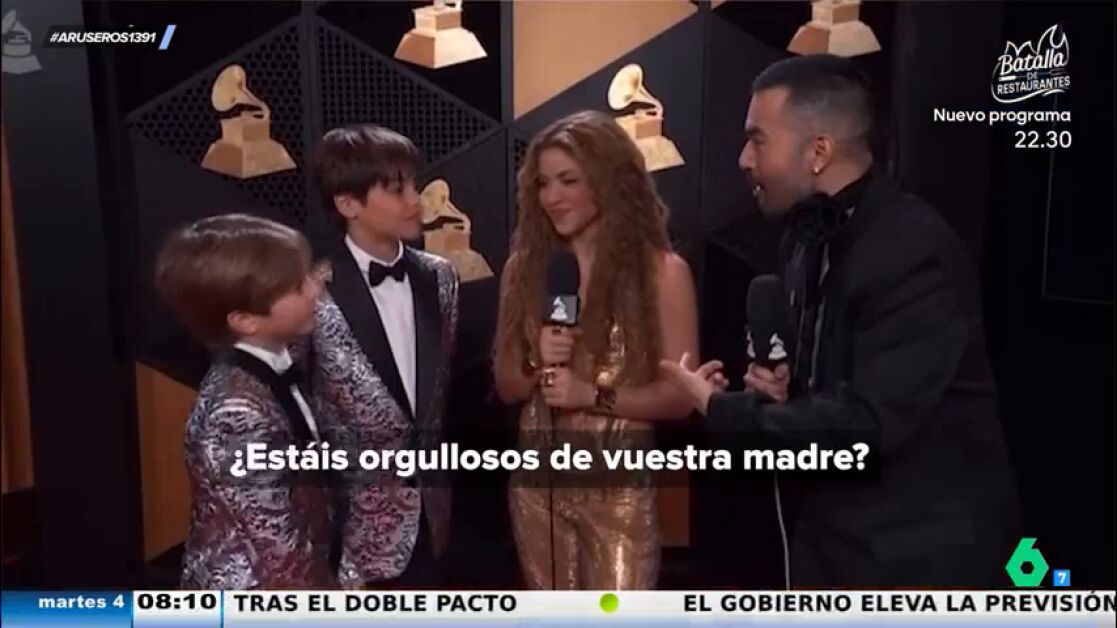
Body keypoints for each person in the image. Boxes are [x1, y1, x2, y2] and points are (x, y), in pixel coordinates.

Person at [661, 54, 1019, 588]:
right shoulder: (802, 241)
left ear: (819, 152)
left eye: (757, 140)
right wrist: (785, 391)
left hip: (918, 562)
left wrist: (723, 410)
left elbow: (867, 425)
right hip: (832, 543)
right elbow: (832, 385)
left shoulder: (912, 250)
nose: (742, 159)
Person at [493, 110, 700, 589]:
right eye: (543, 183)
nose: (552, 197)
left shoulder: (662, 273)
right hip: (537, 487)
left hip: (618, 488)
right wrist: (537, 362)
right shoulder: (523, 270)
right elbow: (506, 385)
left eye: (569, 180)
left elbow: (680, 397)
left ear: (610, 181)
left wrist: (591, 395)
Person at [309, 124, 460, 589]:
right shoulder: (312, 291)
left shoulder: (441, 277)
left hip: (434, 519)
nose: (415, 200)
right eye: (397, 190)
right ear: (347, 203)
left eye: (414, 184)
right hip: (351, 532)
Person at [155, 213, 333, 589]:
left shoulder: (274, 360)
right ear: (246, 320)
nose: (315, 288)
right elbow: (278, 550)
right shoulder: (236, 413)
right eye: (298, 286)